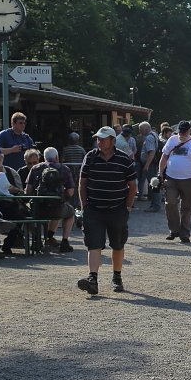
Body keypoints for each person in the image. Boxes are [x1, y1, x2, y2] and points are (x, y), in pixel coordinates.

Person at [77, 126, 137, 294]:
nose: (99, 141)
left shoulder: (123, 159)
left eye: (103, 139)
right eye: (98, 138)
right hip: (94, 209)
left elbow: (132, 185)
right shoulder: (90, 157)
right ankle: (92, 279)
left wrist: (127, 207)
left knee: (117, 244)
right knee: (93, 244)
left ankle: (117, 277)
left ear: (112, 140)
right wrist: (84, 207)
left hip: (117, 209)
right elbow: (82, 183)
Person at [158, 120, 191, 243]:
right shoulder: (172, 140)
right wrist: (160, 172)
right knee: (170, 203)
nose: (181, 135)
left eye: (184, 133)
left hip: (188, 179)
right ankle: (174, 230)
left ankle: (184, 233)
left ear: (189, 131)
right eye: (180, 132)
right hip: (171, 178)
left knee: (186, 207)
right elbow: (164, 156)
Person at [25, 147, 76, 253]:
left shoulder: (35, 168)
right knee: (70, 213)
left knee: (26, 211)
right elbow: (71, 192)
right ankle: (64, 241)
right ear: (56, 157)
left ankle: (37, 239)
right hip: (58, 208)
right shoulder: (64, 169)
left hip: (38, 209)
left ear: (44, 158)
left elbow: (28, 191)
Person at [61, 131, 87, 207]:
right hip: (79, 172)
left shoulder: (66, 149)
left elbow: (62, 160)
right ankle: (78, 203)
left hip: (69, 172)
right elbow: (85, 160)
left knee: (69, 187)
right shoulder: (81, 149)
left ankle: (70, 203)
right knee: (79, 187)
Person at [136, 122, 156, 201]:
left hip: (150, 163)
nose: (139, 132)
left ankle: (155, 204)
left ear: (146, 129)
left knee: (154, 183)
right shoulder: (154, 135)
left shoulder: (149, 138)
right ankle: (154, 202)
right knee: (153, 182)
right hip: (152, 162)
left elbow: (152, 151)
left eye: (140, 130)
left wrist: (147, 164)